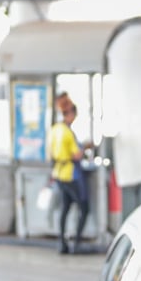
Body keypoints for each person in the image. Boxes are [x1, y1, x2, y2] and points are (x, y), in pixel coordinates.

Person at [48, 95, 91, 254]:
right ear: (70, 114)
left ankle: (62, 243)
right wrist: (86, 148)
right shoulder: (67, 132)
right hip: (70, 175)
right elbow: (76, 155)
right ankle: (76, 243)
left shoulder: (54, 129)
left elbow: (51, 152)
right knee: (84, 208)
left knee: (65, 209)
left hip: (58, 174)